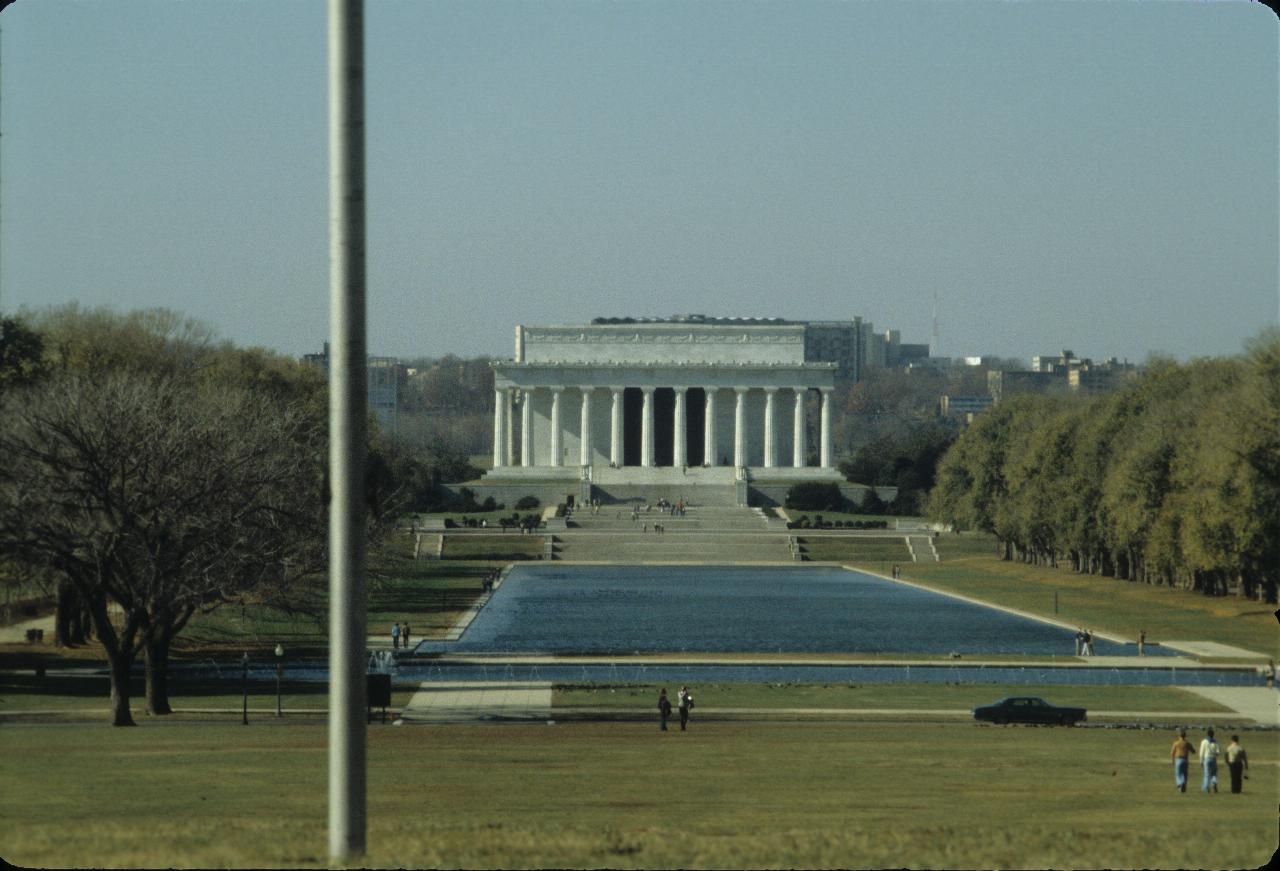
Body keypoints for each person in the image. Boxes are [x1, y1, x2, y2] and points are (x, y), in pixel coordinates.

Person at [1199, 729, 1221, 793]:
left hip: (1206, 758)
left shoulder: (1204, 741)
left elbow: (1201, 752)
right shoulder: (1215, 741)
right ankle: (1214, 782)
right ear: (1213, 734)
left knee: (1206, 774)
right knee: (1214, 773)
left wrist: (1201, 761)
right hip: (1213, 758)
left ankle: (1206, 788)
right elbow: (1218, 752)